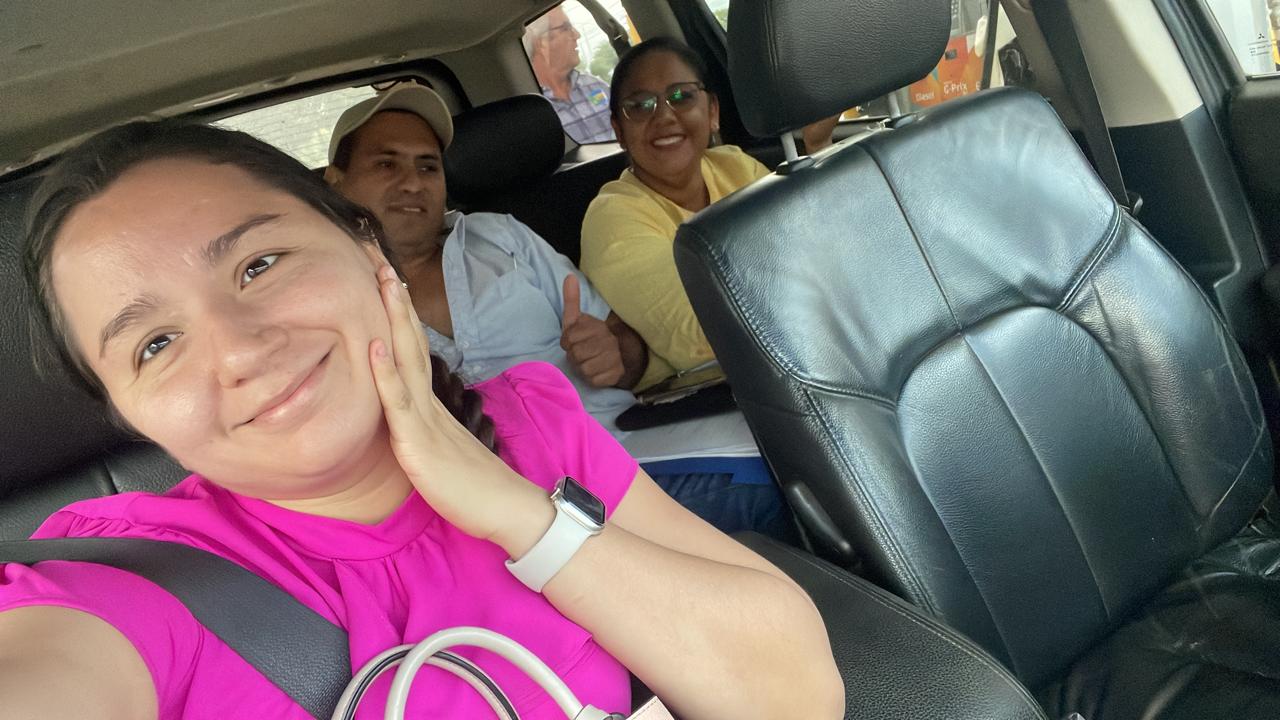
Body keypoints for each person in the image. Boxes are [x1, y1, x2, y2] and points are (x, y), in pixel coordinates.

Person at [0, 120, 843, 718]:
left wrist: (516, 511)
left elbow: (797, 695)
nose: (238, 351)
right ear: (129, 414)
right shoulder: (121, 582)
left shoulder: (529, 427)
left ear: (366, 251)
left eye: (259, 264)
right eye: (154, 345)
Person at [324, 84, 793, 539]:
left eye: (428, 167)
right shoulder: (327, 302)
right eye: (386, 163)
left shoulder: (499, 238)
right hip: (494, 510)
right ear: (335, 181)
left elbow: (624, 351)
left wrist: (616, 354)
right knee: (776, 491)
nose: (412, 183)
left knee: (792, 454)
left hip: (617, 449)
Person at [579, 38, 832, 388]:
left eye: (681, 96)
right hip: (705, 394)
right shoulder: (612, 218)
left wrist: (818, 149)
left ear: (712, 112)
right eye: (640, 105)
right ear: (619, 131)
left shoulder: (734, 166)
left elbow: (818, 243)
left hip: (800, 357)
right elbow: (705, 334)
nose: (663, 116)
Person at [523, 4, 616, 143]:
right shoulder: (531, 111)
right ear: (540, 42)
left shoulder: (595, 86)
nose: (577, 35)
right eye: (565, 28)